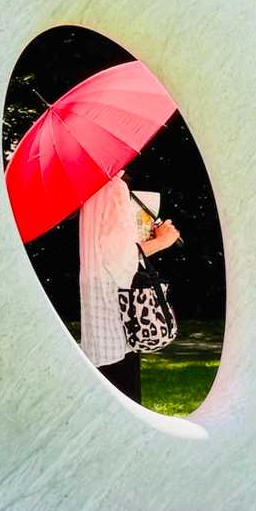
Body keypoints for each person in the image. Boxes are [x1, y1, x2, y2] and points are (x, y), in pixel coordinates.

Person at [78, 172, 181, 403]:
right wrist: (163, 241)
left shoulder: (90, 192)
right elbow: (122, 258)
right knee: (125, 397)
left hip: (97, 313)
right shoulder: (115, 189)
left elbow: (109, 252)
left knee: (105, 397)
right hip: (120, 312)